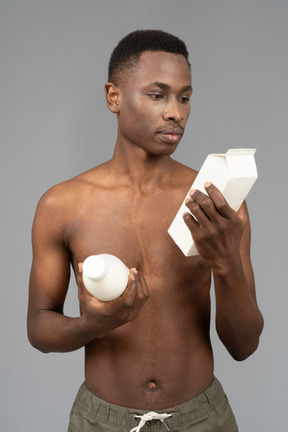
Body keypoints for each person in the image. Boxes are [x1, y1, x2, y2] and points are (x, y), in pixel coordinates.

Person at [27, 30, 264, 432]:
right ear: (114, 97)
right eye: (158, 95)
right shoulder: (62, 205)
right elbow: (38, 327)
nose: (176, 112)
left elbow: (244, 346)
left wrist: (225, 264)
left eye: (184, 97)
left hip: (202, 418)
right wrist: (93, 326)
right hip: (101, 420)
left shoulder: (217, 201)